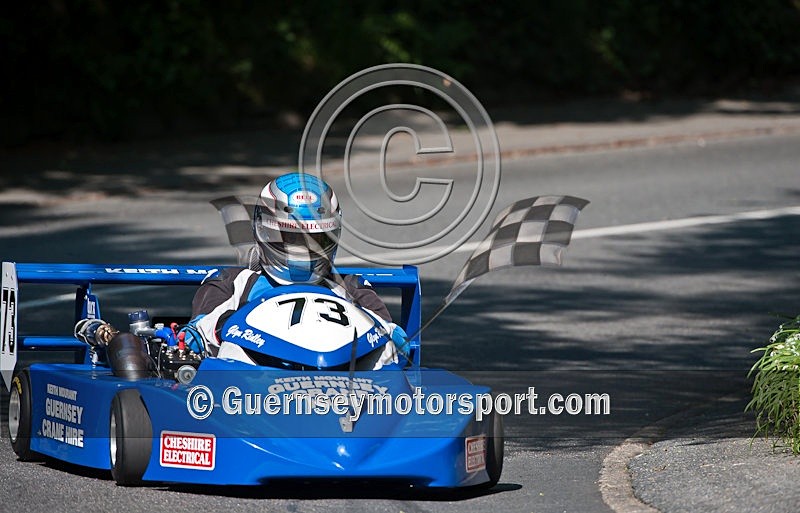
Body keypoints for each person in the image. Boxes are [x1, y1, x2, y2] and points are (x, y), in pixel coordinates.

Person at [182, 172, 409, 368]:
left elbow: (386, 335)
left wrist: (392, 333)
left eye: (316, 240)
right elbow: (198, 332)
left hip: (342, 377)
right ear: (263, 231)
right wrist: (206, 331)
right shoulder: (233, 282)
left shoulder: (350, 286)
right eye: (291, 238)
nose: (303, 251)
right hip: (256, 381)